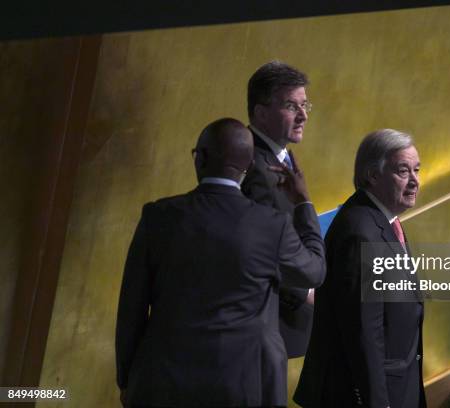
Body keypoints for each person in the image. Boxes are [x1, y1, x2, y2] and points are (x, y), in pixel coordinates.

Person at [115, 118, 326, 408]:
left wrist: (127, 379)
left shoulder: (158, 217)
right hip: (242, 386)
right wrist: (303, 203)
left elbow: (131, 308)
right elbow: (314, 272)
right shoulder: (271, 226)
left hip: (161, 382)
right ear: (249, 166)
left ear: (199, 158)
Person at [294, 129, 426, 408]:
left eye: (417, 170)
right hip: (359, 395)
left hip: (394, 385)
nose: (415, 181)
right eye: (403, 171)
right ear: (372, 175)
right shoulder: (360, 231)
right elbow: (364, 330)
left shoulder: (384, 221)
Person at [241, 61, 317, 358]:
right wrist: (304, 292)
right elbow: (257, 247)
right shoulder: (253, 165)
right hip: (263, 321)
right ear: (261, 112)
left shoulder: (283, 158)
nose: (303, 115)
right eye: (291, 106)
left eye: (305, 105)